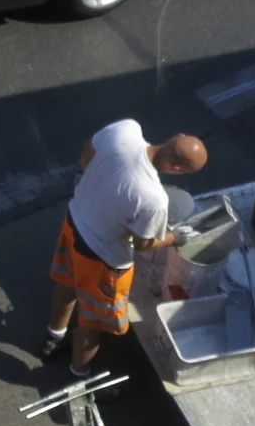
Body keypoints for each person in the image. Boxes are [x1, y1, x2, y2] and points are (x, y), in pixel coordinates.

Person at [43, 122, 208, 375]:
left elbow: (88, 149)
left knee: (67, 283)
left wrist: (99, 186)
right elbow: (143, 244)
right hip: (101, 258)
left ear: (178, 135)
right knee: (92, 321)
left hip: (74, 222)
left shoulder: (126, 130)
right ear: (176, 168)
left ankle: (54, 337)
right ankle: (80, 373)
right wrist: (174, 238)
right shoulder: (154, 199)